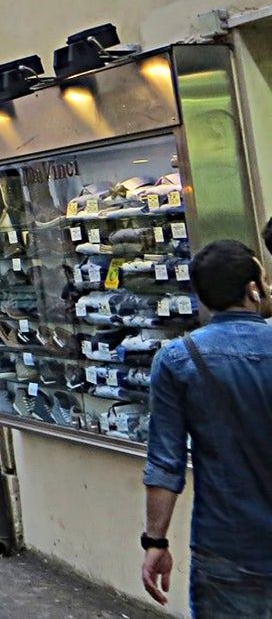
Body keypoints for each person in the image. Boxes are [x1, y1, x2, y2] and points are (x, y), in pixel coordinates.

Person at [141, 237, 272, 612]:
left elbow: (165, 464)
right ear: (252, 289)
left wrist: (155, 543)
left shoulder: (178, 359)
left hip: (225, 545)